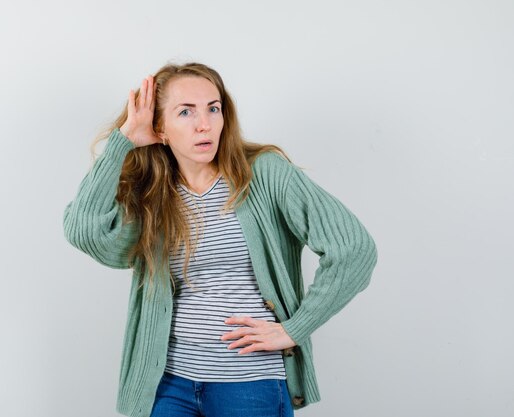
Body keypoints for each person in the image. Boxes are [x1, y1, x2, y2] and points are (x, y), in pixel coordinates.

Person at [63, 62, 378, 417]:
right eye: (186, 112)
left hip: (250, 382)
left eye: (214, 108)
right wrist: (123, 141)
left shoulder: (264, 174)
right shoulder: (151, 195)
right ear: (160, 128)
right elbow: (85, 231)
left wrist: (294, 330)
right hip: (169, 383)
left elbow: (354, 249)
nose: (205, 124)